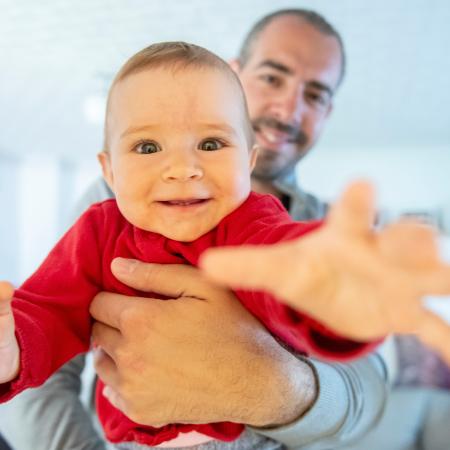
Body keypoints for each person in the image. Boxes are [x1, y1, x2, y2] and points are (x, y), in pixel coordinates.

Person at [0, 9, 432, 450]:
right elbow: (48, 313)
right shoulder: (101, 220)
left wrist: (339, 285)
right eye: (147, 147)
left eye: (210, 144)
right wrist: (12, 346)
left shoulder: (257, 220)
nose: (183, 169)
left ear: (249, 157)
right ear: (110, 171)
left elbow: (286, 268)